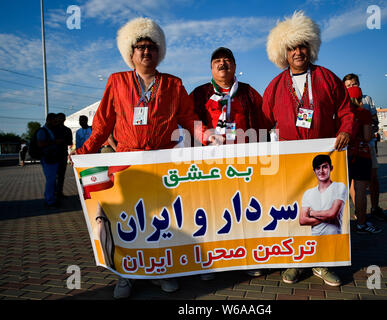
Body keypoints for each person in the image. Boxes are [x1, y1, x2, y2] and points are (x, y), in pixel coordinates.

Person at [70, 17, 222, 299]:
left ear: (159, 51)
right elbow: (102, 125)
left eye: (151, 47)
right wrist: (82, 153)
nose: (146, 52)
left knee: (161, 221)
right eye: (140, 47)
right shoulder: (116, 82)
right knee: (123, 221)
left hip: (162, 162)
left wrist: (208, 135)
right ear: (131, 53)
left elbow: (189, 118)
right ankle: (125, 276)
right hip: (126, 163)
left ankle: (163, 272)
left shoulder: (173, 84)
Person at [262, 11, 355, 287]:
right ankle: (295, 261)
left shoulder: (327, 78)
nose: (298, 52)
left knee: (324, 213)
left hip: (323, 161)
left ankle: (323, 264)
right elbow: (261, 120)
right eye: (292, 48)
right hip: (290, 164)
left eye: (302, 46)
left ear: (310, 47)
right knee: (293, 212)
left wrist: (346, 130)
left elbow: (346, 111)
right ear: (284, 52)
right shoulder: (275, 85)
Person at [190, 47, 268, 279]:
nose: (223, 64)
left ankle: (247, 259)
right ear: (211, 68)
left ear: (234, 66)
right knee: (212, 211)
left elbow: (263, 120)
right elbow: (188, 119)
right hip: (210, 164)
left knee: (243, 210)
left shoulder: (248, 92)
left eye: (227, 60)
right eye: (218, 62)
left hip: (243, 164)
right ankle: (210, 262)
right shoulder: (198, 93)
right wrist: (204, 136)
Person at [343, 73, 387, 222]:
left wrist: (365, 125)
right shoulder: (342, 102)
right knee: (356, 182)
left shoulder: (367, 100)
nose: (351, 87)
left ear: (359, 84)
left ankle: (375, 207)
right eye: (348, 85)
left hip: (368, 147)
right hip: (352, 149)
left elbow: (375, 122)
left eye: (354, 84)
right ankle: (359, 212)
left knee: (373, 179)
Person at [346, 86, 382, 235]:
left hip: (345, 155)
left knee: (342, 191)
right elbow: (367, 137)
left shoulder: (343, 113)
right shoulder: (364, 113)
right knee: (361, 191)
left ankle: (340, 226)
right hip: (361, 156)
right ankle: (361, 224)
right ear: (361, 98)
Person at [300, 155, 347, 238]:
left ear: (331, 168)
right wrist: (326, 215)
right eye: (318, 168)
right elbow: (302, 220)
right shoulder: (308, 193)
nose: (321, 171)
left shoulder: (339, 187)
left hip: (335, 239)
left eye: (324, 167)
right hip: (316, 241)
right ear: (314, 171)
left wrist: (311, 213)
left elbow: (332, 214)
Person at [37, 113, 60, 208]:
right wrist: (55, 142)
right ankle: (49, 200)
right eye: (54, 121)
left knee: (52, 179)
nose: (56, 123)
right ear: (49, 120)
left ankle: (50, 198)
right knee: (50, 180)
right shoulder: (43, 131)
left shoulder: (48, 131)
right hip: (47, 158)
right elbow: (40, 144)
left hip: (51, 158)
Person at [54, 113, 73, 199]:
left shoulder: (65, 130)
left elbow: (70, 142)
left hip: (61, 154)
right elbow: (69, 142)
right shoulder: (54, 130)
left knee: (60, 175)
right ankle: (56, 193)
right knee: (57, 175)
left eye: (62, 118)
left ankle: (58, 192)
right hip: (55, 154)